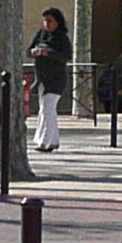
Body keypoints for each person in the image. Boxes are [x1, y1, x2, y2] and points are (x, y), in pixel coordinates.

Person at [27, 8, 71, 152]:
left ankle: (44, 142)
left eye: (50, 21)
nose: (47, 24)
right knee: (45, 110)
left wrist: (49, 53)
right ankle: (53, 140)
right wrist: (34, 52)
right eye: (45, 20)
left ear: (58, 22)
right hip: (41, 79)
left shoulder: (62, 38)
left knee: (47, 108)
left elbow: (66, 56)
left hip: (56, 79)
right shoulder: (40, 35)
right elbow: (28, 51)